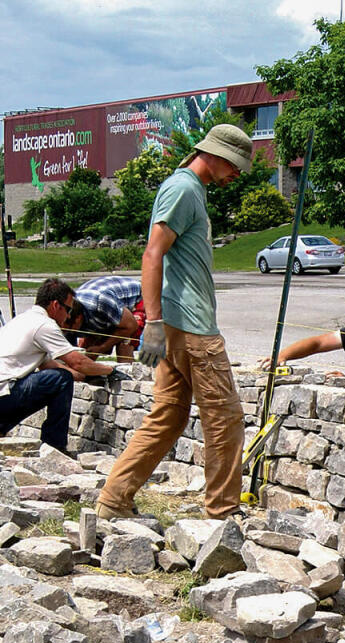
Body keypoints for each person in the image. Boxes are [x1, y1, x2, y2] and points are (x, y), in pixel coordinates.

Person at [96, 124, 252, 520]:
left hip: (178, 325)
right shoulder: (182, 189)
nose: (238, 173)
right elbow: (152, 255)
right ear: (216, 155)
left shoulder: (191, 190)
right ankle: (222, 514)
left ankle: (113, 500)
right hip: (193, 328)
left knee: (169, 415)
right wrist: (154, 323)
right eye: (236, 165)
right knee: (225, 419)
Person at [0, 278, 117, 453]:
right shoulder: (45, 325)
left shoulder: (25, 319)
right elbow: (78, 361)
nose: (68, 316)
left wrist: (81, 375)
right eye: (68, 309)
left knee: (54, 381)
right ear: (55, 305)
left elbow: (47, 365)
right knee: (62, 380)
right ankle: (55, 446)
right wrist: (110, 370)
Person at [69, 275, 145, 362]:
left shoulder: (99, 302)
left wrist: (103, 347)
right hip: (109, 309)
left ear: (78, 319)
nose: (71, 332)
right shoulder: (69, 315)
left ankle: (128, 371)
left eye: (71, 329)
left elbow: (131, 326)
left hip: (136, 298)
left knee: (124, 343)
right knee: (87, 351)